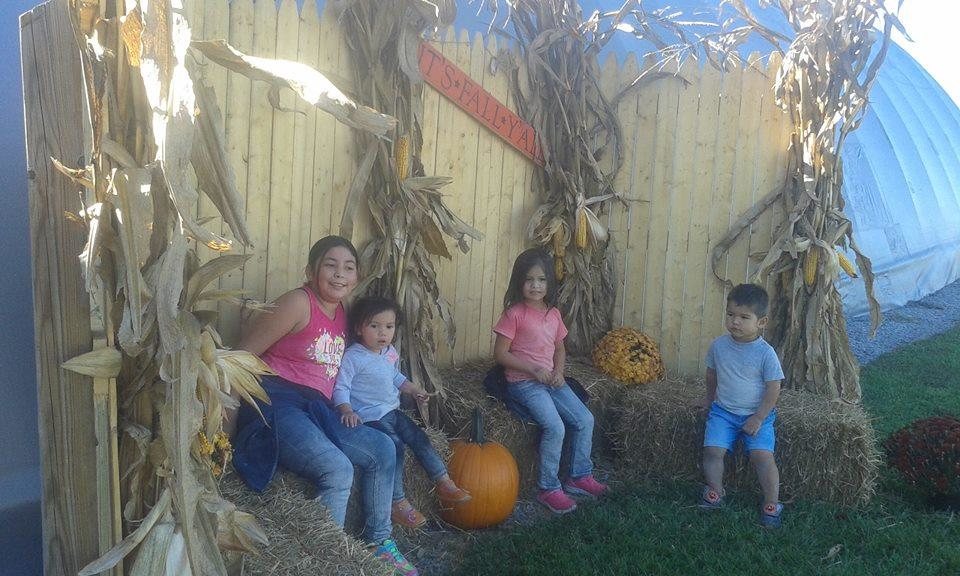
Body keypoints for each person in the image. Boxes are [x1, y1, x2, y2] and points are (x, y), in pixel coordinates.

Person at [231, 235, 419, 576]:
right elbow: (239, 358)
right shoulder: (298, 303)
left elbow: (363, 362)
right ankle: (326, 563)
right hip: (278, 402)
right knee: (337, 469)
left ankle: (379, 541)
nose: (339, 274)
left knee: (383, 448)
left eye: (348, 267)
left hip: (319, 409)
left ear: (357, 277)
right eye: (330, 265)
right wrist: (226, 430)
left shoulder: (346, 313)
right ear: (310, 271)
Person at [332, 296, 471, 528]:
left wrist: (414, 390)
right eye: (374, 326)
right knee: (395, 446)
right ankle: (397, 502)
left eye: (389, 326)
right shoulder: (353, 357)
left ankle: (443, 480)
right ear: (358, 328)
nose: (383, 333)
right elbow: (341, 387)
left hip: (392, 412)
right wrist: (346, 409)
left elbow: (395, 377)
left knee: (419, 437)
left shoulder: (389, 352)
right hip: (370, 417)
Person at [492, 248, 608, 514]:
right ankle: (548, 488)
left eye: (542, 280)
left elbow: (559, 348)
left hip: (550, 381)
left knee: (585, 419)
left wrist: (559, 372)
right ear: (519, 281)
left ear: (550, 283)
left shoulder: (553, 313)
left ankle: (579, 475)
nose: (535, 285)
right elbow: (501, 354)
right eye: (529, 279)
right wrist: (533, 369)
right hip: (524, 382)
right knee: (555, 427)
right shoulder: (514, 314)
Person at [698, 283, 785, 528]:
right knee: (713, 451)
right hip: (723, 412)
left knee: (762, 456)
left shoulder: (765, 353)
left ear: (761, 322)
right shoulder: (719, 346)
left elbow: (773, 388)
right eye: (731, 315)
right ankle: (715, 491)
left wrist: (759, 417)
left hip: (757, 415)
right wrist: (709, 400)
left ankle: (772, 503)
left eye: (744, 317)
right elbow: (711, 375)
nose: (735, 321)